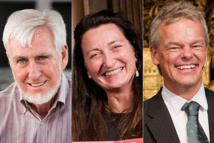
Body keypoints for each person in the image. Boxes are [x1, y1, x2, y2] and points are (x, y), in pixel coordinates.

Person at [144, 1, 214, 143]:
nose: (187, 54)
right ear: (155, 54)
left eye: (195, 45)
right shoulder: (140, 119)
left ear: (206, 51)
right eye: (174, 47)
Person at [0, 9, 71, 143]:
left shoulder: (95, 106)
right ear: (10, 61)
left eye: (42, 57)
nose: (34, 74)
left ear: (63, 56)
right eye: (21, 60)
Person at [72, 10, 142, 141]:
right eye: (94, 55)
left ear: (135, 51)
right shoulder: (75, 126)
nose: (109, 63)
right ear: (86, 68)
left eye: (115, 47)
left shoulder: (158, 112)